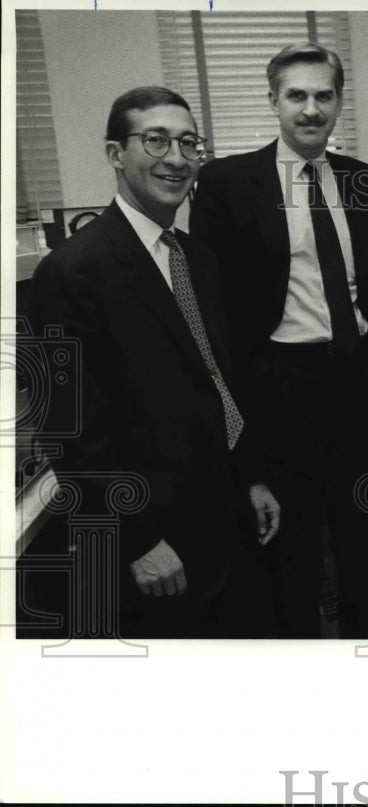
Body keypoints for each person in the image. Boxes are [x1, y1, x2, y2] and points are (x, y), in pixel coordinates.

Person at [29, 86, 280, 638]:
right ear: (116, 153)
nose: (176, 157)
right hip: (157, 538)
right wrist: (135, 539)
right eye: (156, 140)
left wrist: (253, 478)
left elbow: (220, 380)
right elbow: (70, 430)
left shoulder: (198, 257)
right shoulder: (72, 273)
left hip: (229, 514)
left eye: (189, 142)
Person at [190, 43, 368, 638]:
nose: (311, 109)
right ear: (274, 101)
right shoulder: (228, 181)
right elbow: (215, 311)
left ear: (339, 102)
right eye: (297, 96)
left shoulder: (363, 180)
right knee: (293, 557)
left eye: (323, 95)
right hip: (281, 390)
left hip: (359, 383)